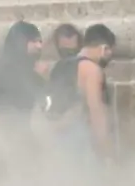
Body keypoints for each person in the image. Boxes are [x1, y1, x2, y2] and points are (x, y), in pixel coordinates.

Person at [48, 23, 116, 160]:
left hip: (56, 143)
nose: (110, 56)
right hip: (81, 145)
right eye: (110, 52)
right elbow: (96, 111)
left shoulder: (59, 66)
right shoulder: (91, 70)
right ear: (104, 48)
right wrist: (108, 154)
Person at [0, 21, 45, 120]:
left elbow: (46, 107)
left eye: (40, 42)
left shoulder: (34, 75)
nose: (39, 46)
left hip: (24, 133)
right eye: (34, 41)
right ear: (20, 42)